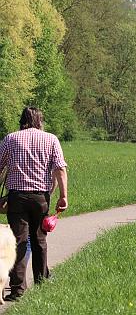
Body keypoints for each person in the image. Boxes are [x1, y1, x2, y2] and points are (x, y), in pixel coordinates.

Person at [0, 107, 68, 301]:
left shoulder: (10, 139)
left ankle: (17, 290)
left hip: (17, 198)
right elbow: (60, 169)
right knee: (39, 241)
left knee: (19, 242)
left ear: (22, 121)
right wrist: (63, 196)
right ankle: (41, 284)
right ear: (40, 120)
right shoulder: (51, 139)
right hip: (40, 198)